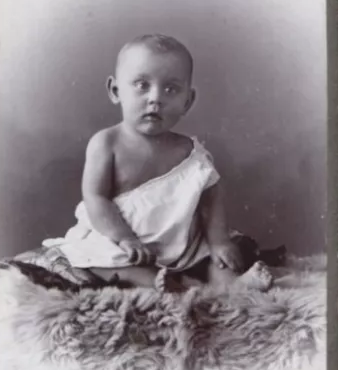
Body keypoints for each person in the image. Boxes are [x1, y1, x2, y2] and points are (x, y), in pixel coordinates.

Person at [43, 34, 273, 292]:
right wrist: (125, 239)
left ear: (188, 101)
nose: (156, 99)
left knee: (217, 256)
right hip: (122, 240)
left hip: (182, 243)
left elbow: (212, 195)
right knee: (102, 260)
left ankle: (232, 285)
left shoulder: (190, 152)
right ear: (115, 90)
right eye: (142, 85)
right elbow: (96, 198)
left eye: (171, 89)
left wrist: (218, 241)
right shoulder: (106, 143)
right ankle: (168, 283)